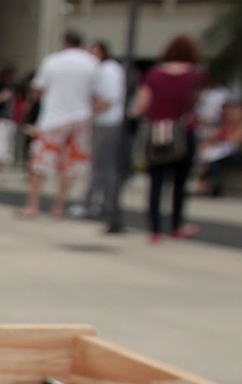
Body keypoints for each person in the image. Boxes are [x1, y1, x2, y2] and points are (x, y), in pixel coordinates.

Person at [15, 32, 97, 220]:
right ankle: (59, 207)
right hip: (81, 117)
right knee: (69, 165)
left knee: (40, 164)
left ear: (65, 43)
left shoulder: (52, 61)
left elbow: (38, 88)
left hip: (54, 118)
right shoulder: (91, 63)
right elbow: (95, 93)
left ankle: (33, 205)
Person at [132, 36, 203, 241]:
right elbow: (197, 103)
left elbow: (141, 105)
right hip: (184, 132)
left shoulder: (154, 75)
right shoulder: (196, 75)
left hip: (158, 132)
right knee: (179, 183)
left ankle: (154, 229)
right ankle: (175, 225)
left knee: (156, 182)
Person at [80, 41, 125, 220]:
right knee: (104, 165)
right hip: (106, 121)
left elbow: (108, 99)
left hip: (107, 122)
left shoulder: (108, 70)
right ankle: (104, 202)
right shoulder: (106, 70)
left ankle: (93, 202)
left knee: (101, 165)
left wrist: (88, 112)